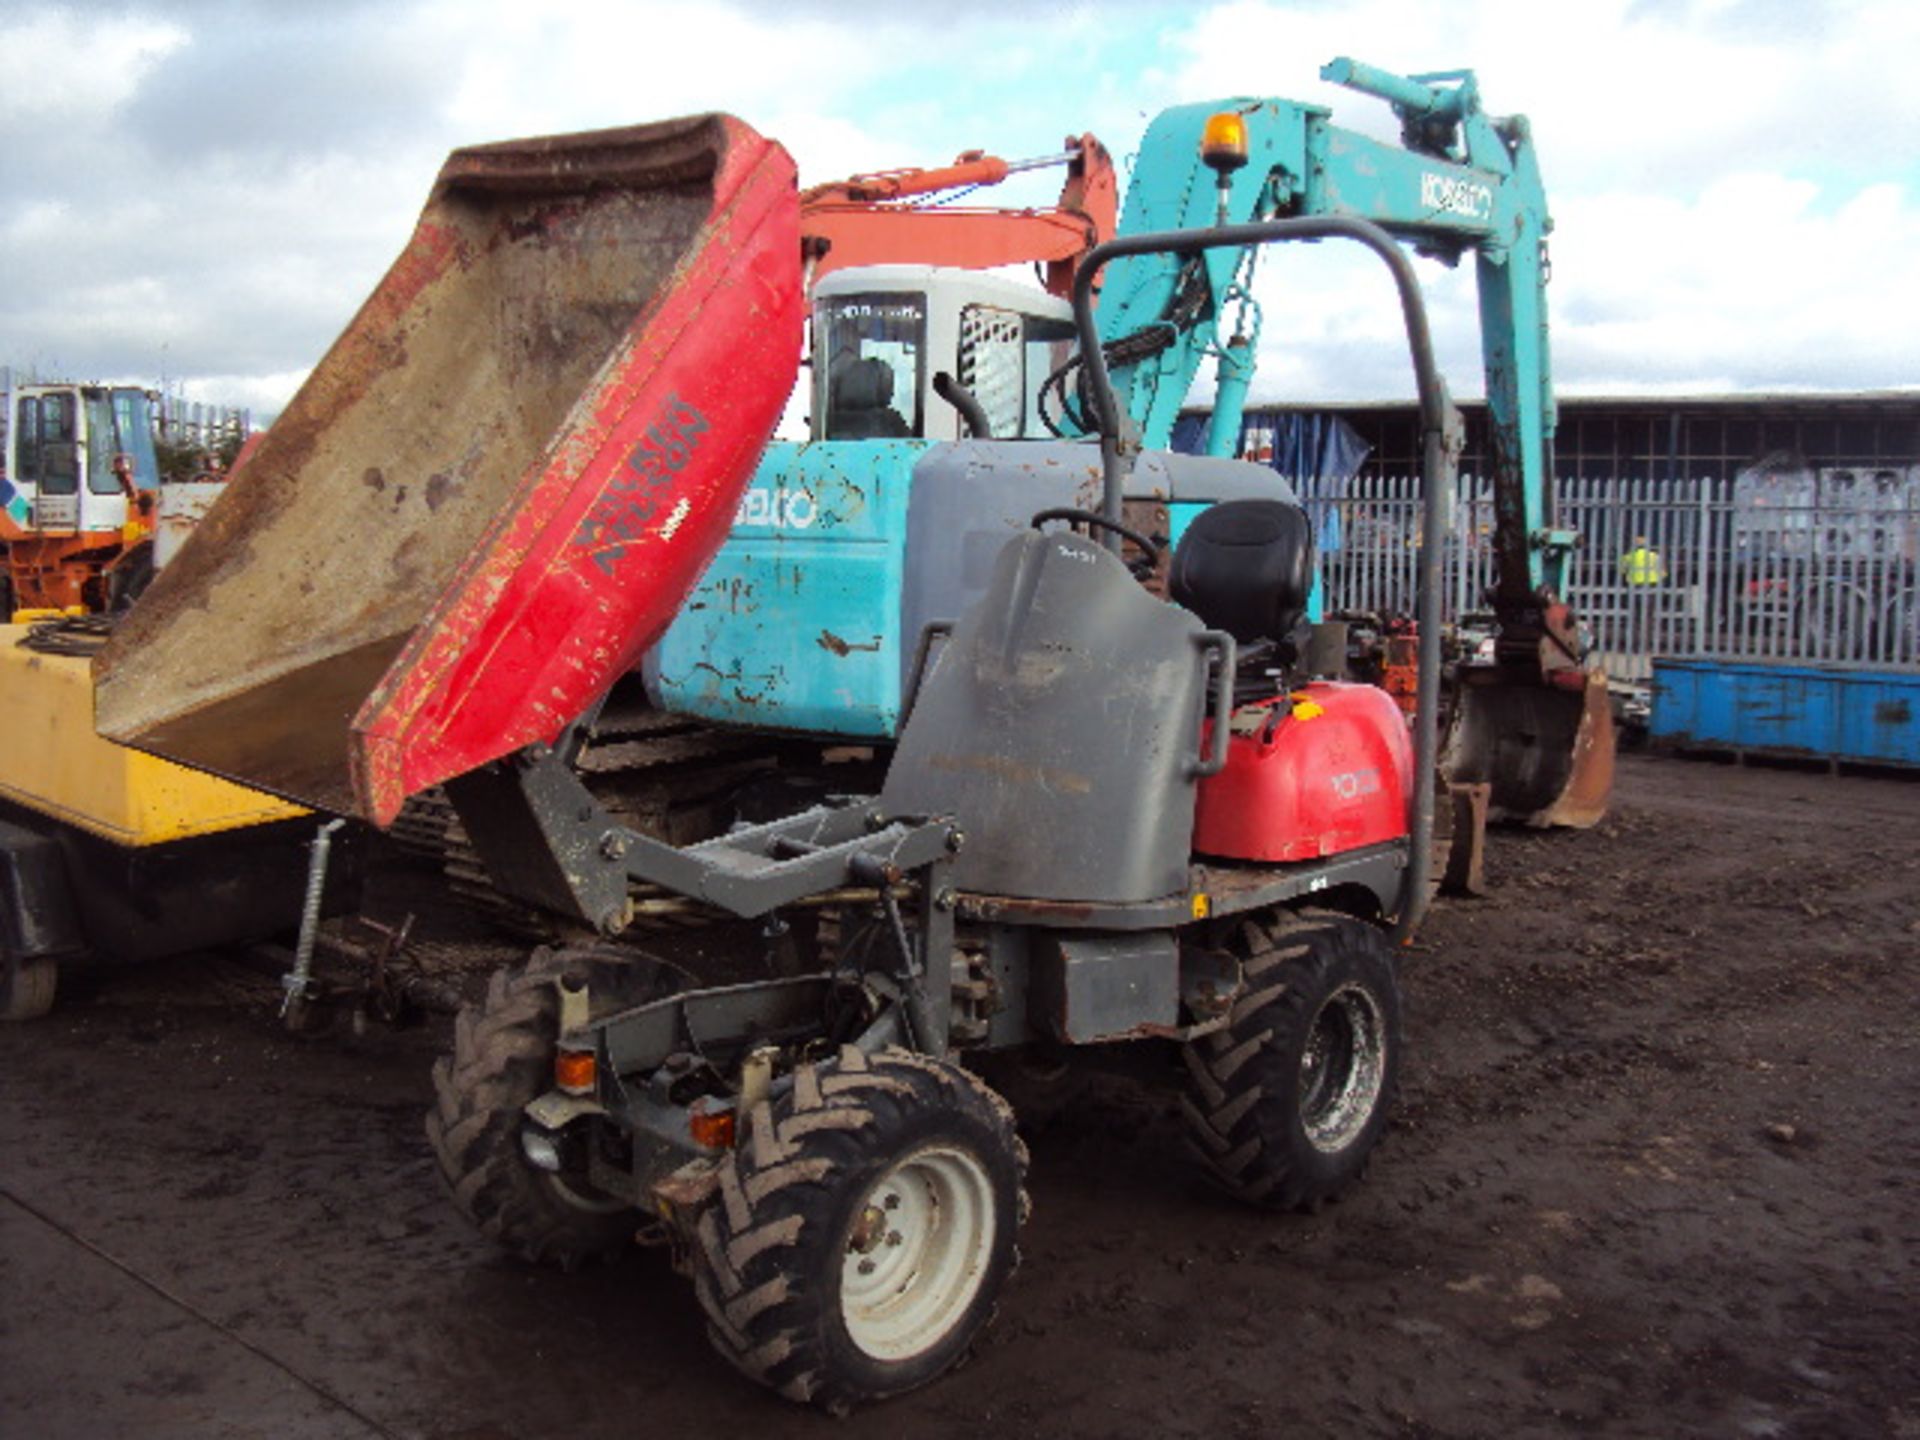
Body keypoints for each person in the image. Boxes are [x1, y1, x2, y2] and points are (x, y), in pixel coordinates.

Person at [1619, 534, 1665, 652]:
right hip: (1650, 590)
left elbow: (1621, 571)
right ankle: (1646, 645)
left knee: (1634, 619)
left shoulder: (1628, 557)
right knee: (1648, 618)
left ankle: (1634, 646)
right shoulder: (1655, 557)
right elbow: (1663, 574)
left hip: (1634, 590)